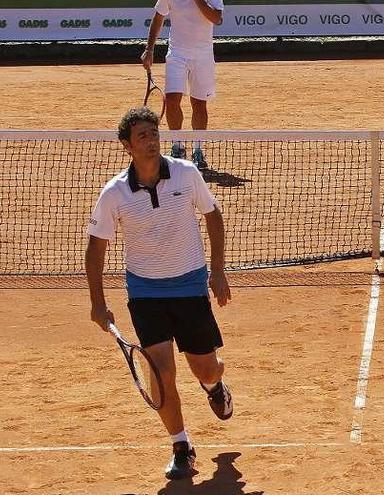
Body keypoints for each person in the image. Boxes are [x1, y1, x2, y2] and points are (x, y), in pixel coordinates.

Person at [85, 107, 233, 480]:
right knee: (162, 371)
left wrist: (217, 271)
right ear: (126, 146)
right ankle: (181, 446)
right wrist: (98, 304)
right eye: (143, 137)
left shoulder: (186, 173)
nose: (151, 142)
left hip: (189, 286)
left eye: (154, 134)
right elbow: (95, 249)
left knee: (205, 366)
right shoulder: (114, 193)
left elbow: (213, 215)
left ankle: (214, 385)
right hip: (145, 292)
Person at [142, 0, 224, 170]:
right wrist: (149, 49)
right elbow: (158, 17)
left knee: (199, 105)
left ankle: (198, 151)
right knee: (171, 101)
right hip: (177, 55)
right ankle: (177, 147)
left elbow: (216, 18)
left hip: (203, 57)